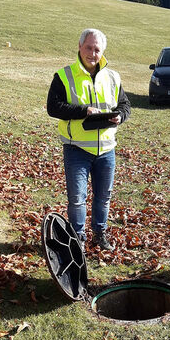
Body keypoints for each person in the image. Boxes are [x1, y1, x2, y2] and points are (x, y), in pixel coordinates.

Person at [47, 28, 131, 251]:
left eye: (96, 49)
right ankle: (78, 240)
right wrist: (84, 111)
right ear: (79, 47)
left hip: (106, 150)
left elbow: (125, 105)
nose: (92, 53)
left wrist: (120, 116)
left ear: (102, 51)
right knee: (77, 199)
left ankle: (99, 234)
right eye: (88, 48)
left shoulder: (113, 77)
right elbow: (53, 107)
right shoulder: (63, 76)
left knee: (103, 197)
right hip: (77, 149)